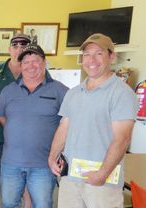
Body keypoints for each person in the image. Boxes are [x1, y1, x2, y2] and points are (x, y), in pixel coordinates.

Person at [48, 33, 137, 207]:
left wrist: (102, 174)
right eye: (87, 54)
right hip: (71, 178)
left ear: (111, 56)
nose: (91, 60)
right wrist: (52, 157)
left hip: (103, 182)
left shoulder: (122, 93)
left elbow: (122, 138)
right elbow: (64, 127)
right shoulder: (74, 93)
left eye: (98, 53)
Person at [0, 44, 68, 208]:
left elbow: (69, 124)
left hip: (43, 164)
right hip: (10, 163)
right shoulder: (8, 91)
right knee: (9, 204)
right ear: (20, 65)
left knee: (42, 204)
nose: (31, 66)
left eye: (35, 61)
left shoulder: (60, 91)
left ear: (44, 63)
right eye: (26, 62)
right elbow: (2, 117)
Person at [0, 33, 32, 208]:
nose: (19, 49)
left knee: (26, 169)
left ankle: (27, 202)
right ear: (9, 49)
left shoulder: (35, 69)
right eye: (15, 46)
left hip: (27, 133)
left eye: (23, 46)